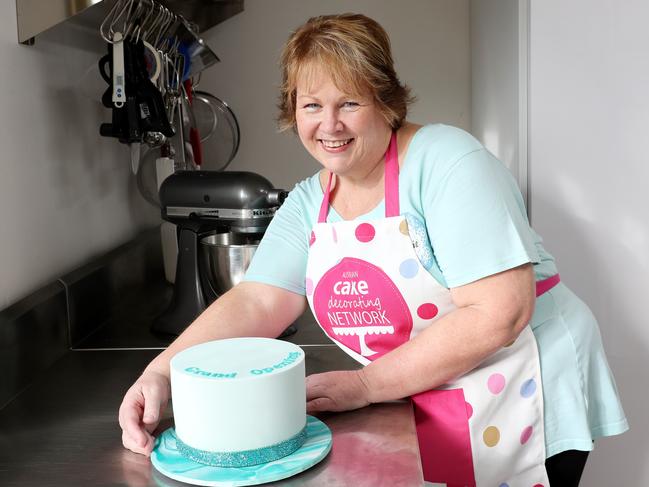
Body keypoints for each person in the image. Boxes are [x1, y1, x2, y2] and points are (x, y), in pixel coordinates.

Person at [119, 13, 628, 486]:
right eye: (311, 105)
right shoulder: (310, 201)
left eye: (350, 103)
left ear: (386, 102)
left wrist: (365, 386)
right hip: (422, 392)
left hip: (522, 385)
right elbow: (257, 300)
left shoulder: (447, 163)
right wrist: (162, 372)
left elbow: (501, 313)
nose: (330, 125)